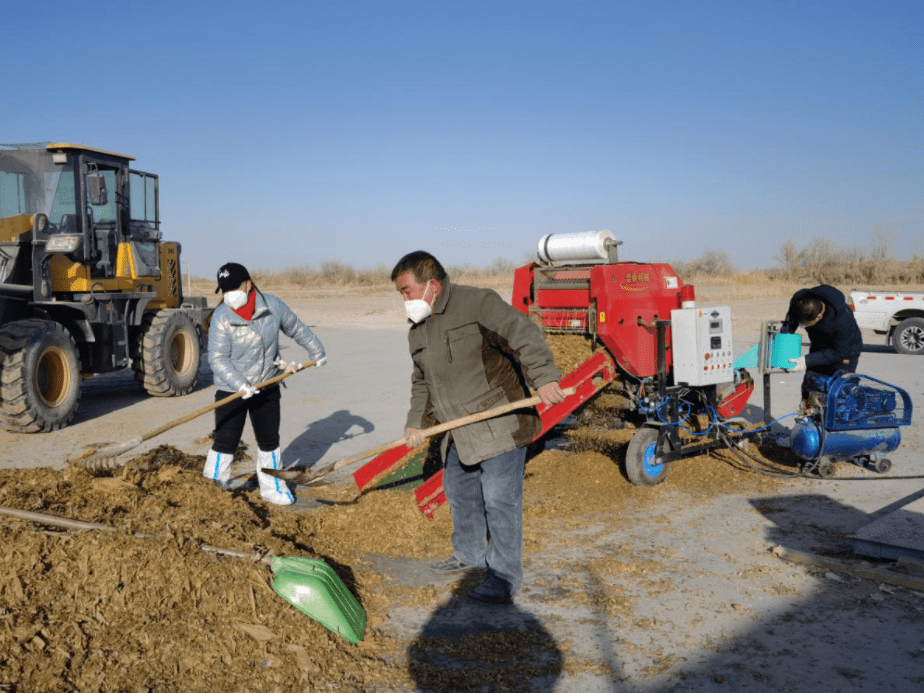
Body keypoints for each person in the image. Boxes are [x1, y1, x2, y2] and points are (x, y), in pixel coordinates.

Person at [393, 250, 566, 604]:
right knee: (459, 491)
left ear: (433, 286)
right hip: (459, 429)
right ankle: (468, 556)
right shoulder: (417, 331)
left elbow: (523, 333)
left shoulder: (477, 303)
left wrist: (544, 378)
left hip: (499, 422)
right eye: (401, 294)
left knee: (500, 500)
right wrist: (415, 424)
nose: (405, 300)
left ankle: (503, 576)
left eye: (407, 291)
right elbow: (422, 382)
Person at [203, 262, 327, 505]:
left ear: (248, 285)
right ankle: (213, 490)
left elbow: (297, 329)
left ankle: (272, 489)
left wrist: (317, 351)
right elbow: (217, 359)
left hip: (267, 384)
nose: (229, 296)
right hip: (232, 390)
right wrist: (240, 384)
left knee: (269, 441)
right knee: (225, 441)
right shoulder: (220, 317)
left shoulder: (272, 306)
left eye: (232, 289)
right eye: (224, 290)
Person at [781, 284, 862, 397]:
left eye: (805, 324)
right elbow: (790, 323)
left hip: (845, 351)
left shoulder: (842, 320)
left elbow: (839, 352)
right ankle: (809, 413)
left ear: (819, 317)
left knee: (839, 391)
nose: (801, 326)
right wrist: (782, 349)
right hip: (819, 344)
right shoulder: (799, 301)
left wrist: (806, 361)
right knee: (810, 383)